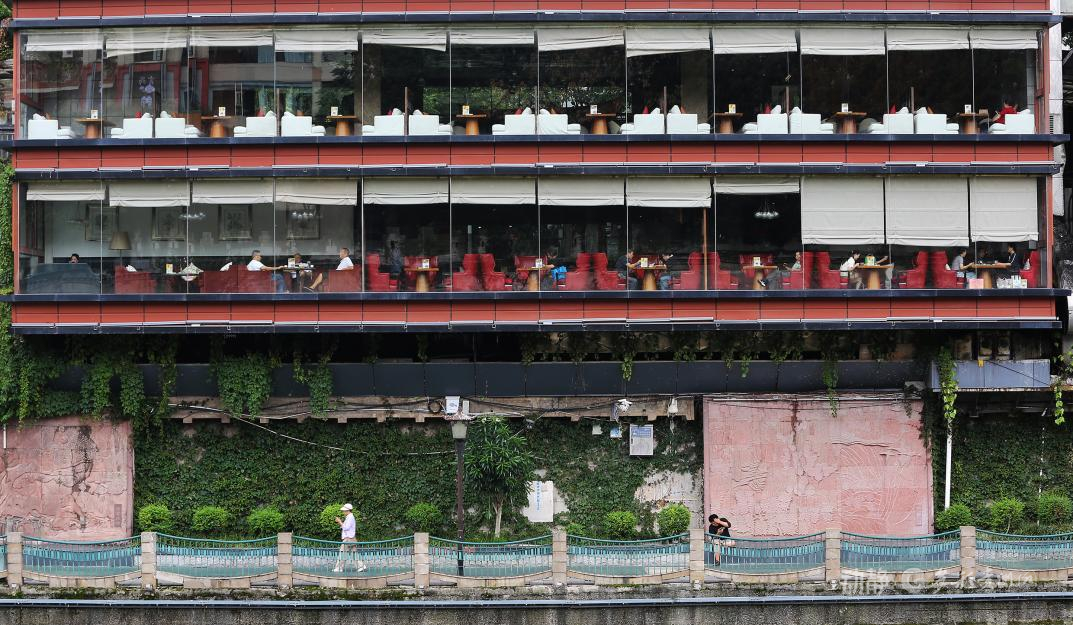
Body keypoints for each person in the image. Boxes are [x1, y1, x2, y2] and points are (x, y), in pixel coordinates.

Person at [333, 503, 366, 573]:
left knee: (342, 553)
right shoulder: (350, 517)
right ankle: (361, 566)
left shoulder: (350, 517)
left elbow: (346, 528)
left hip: (348, 538)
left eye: (344, 510)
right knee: (354, 553)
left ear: (347, 510)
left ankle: (339, 568)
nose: (343, 512)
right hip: (351, 538)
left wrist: (339, 521)